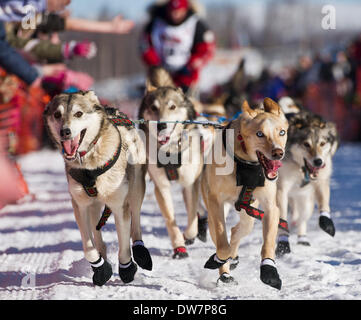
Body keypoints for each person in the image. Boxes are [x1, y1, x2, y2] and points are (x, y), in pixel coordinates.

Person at [140, 0, 215, 93]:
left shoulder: (196, 24)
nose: (175, 15)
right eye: (172, 11)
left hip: (187, 76)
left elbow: (206, 49)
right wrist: (155, 65)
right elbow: (145, 46)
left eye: (179, 11)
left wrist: (193, 64)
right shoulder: (155, 23)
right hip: (160, 75)